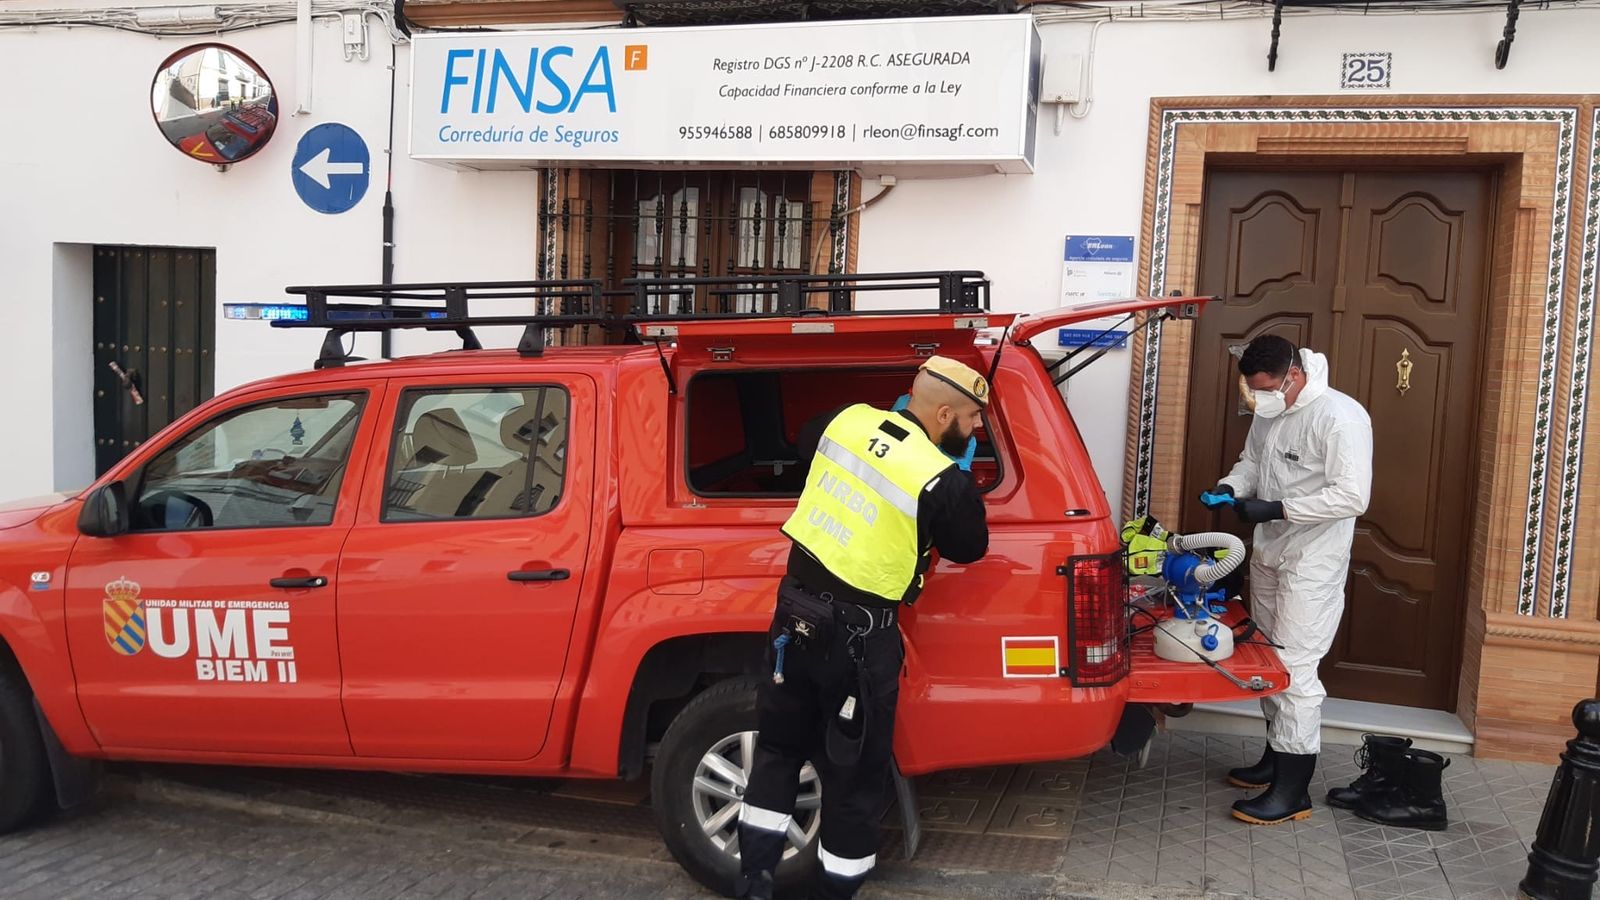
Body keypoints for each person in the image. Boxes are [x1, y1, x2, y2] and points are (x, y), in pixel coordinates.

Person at [736, 356, 991, 900]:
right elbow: (970, 546)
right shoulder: (940, 478)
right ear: (944, 412)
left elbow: (805, 442)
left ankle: (754, 880)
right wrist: (962, 476)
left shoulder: (846, 419)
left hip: (793, 621)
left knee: (778, 752)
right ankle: (837, 891)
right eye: (970, 419)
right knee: (853, 776)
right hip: (857, 642)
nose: (975, 430)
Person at [1200, 335, 1372, 825]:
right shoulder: (1270, 409)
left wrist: (1280, 507)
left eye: (1268, 389)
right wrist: (1228, 489)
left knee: (1295, 668)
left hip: (1313, 561)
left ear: (1294, 374)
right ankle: (1276, 757)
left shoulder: (1340, 417)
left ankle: (1292, 792)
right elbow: (1253, 462)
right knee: (1269, 658)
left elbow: (1353, 496)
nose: (1261, 399)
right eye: (1255, 391)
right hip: (1270, 550)